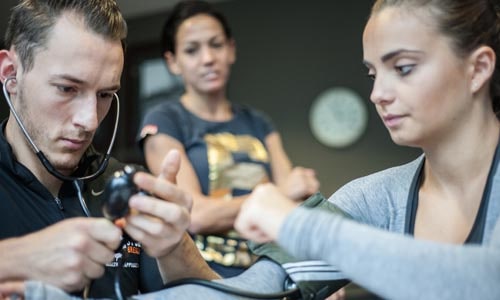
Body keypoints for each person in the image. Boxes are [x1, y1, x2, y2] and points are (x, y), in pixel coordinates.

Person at [234, 0, 500, 299]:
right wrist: (179, 255)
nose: (377, 95)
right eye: (373, 75)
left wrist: (300, 227)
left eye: (403, 68)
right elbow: (255, 289)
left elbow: (488, 281)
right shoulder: (374, 197)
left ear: (478, 68)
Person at [0, 0, 218, 299]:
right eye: (67, 88)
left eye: (104, 94)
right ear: (11, 73)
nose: (90, 121)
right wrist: (14, 259)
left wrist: (175, 246)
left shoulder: (127, 187)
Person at [137, 0, 319, 277]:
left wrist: (318, 269)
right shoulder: (165, 119)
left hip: (268, 275)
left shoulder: (258, 122)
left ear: (231, 50)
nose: (208, 58)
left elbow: (291, 210)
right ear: (173, 62)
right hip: (201, 277)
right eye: (191, 50)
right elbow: (195, 214)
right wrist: (279, 195)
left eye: (216, 44)